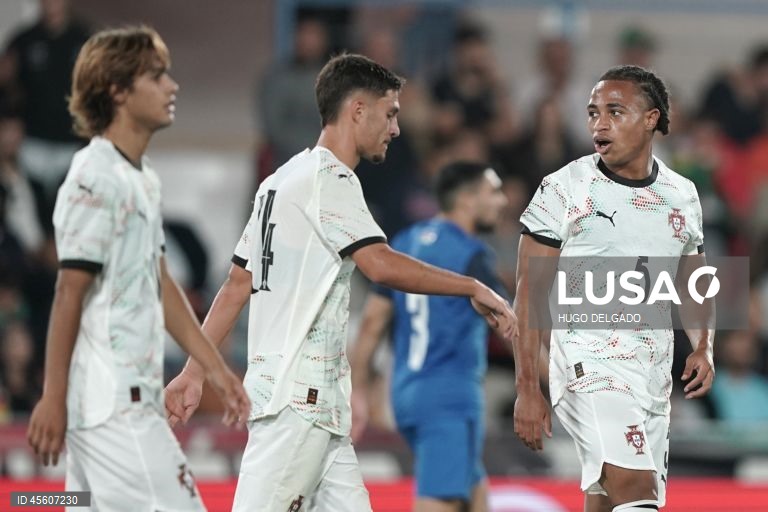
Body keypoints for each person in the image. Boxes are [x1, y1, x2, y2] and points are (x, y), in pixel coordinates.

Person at [163, 53, 517, 511]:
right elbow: (380, 264)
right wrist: (472, 286)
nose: (396, 128)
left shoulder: (280, 180)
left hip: (315, 409)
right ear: (357, 111)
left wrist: (194, 371)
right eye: (390, 114)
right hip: (299, 406)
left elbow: (236, 285)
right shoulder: (331, 180)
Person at [25, 26, 251, 511]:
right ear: (118, 90)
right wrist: (51, 396)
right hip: (114, 408)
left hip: (119, 401)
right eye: (156, 75)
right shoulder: (94, 177)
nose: (172, 86)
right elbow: (70, 291)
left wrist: (214, 369)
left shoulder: (140, 180)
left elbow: (159, 282)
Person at [512, 65, 715, 512]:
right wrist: (528, 385)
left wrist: (704, 346)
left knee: (606, 499)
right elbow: (528, 295)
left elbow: (695, 280)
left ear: (650, 119)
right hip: (590, 363)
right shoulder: (564, 188)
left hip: (652, 374)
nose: (598, 124)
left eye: (614, 111)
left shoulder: (682, 194)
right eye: (592, 113)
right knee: (636, 490)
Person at [350, 161, 509, 512]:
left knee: (475, 496)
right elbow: (511, 328)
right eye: (493, 192)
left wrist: (359, 389)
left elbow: (373, 321)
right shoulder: (472, 256)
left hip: (407, 392)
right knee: (441, 502)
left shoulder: (404, 242)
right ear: (467, 200)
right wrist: (555, 382)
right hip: (448, 398)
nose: (502, 201)